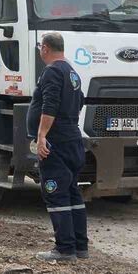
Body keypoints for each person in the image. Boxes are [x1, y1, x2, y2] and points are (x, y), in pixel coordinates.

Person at [27, 32, 88, 262]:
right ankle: (80, 247)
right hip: (72, 139)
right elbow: (79, 101)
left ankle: (64, 249)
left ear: (45, 48)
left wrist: (42, 136)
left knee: (56, 193)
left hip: (57, 143)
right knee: (72, 192)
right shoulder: (72, 72)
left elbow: (49, 105)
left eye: (40, 47)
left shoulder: (52, 71)